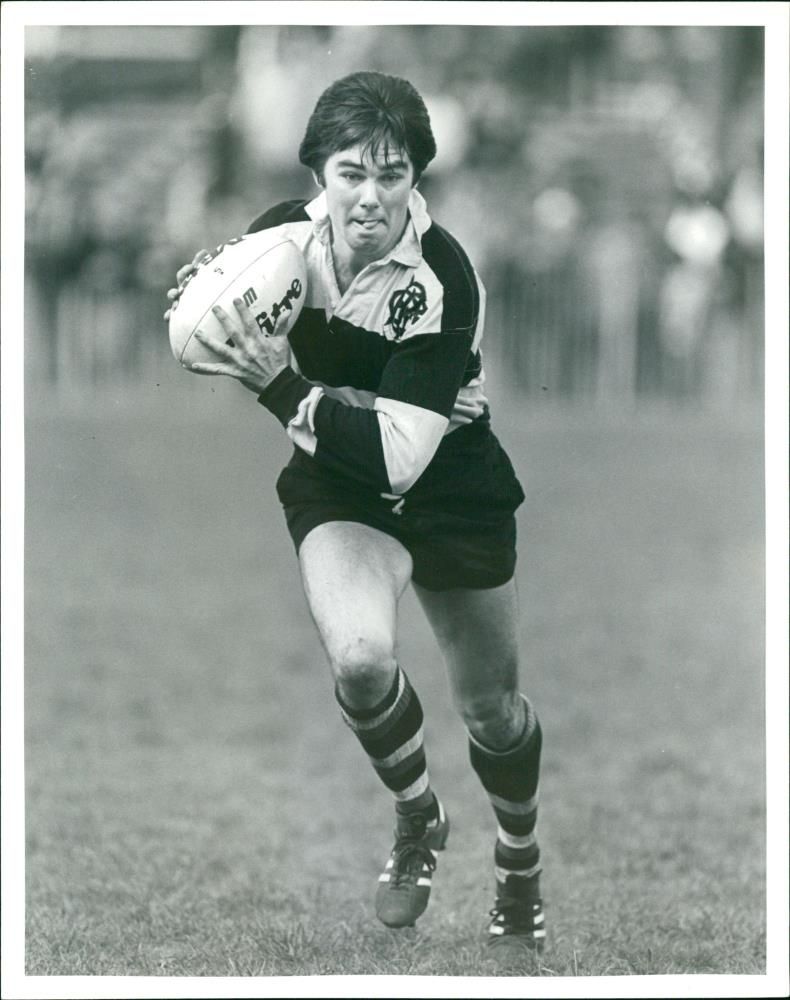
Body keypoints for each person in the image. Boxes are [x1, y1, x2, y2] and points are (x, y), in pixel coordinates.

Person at [165, 70, 545, 958]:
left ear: (418, 179)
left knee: (491, 710)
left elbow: (402, 455)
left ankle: (520, 865)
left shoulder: (443, 275)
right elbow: (207, 328)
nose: (371, 197)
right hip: (339, 482)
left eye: (394, 174)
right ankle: (418, 813)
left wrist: (280, 386)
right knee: (364, 661)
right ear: (317, 174)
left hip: (450, 483)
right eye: (351, 173)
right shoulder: (273, 245)